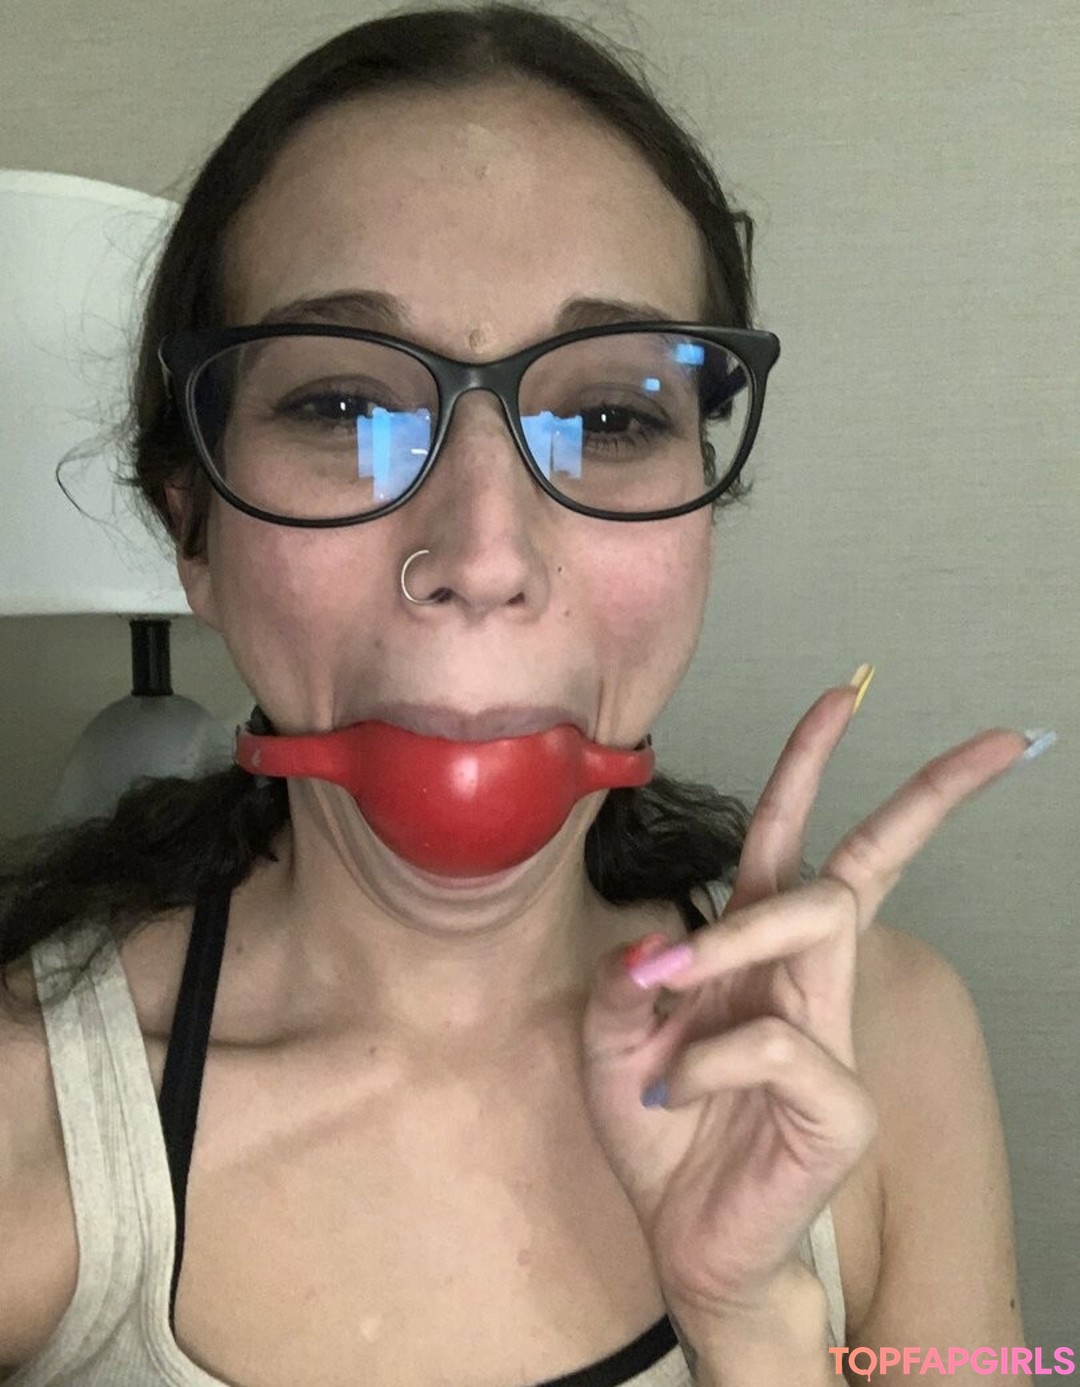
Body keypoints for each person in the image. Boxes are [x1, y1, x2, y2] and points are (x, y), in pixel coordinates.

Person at [0, 4, 1045, 1384]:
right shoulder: (22, 1114)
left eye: (609, 418)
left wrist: (762, 1332)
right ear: (192, 526)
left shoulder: (891, 1048)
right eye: (344, 410)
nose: (485, 556)